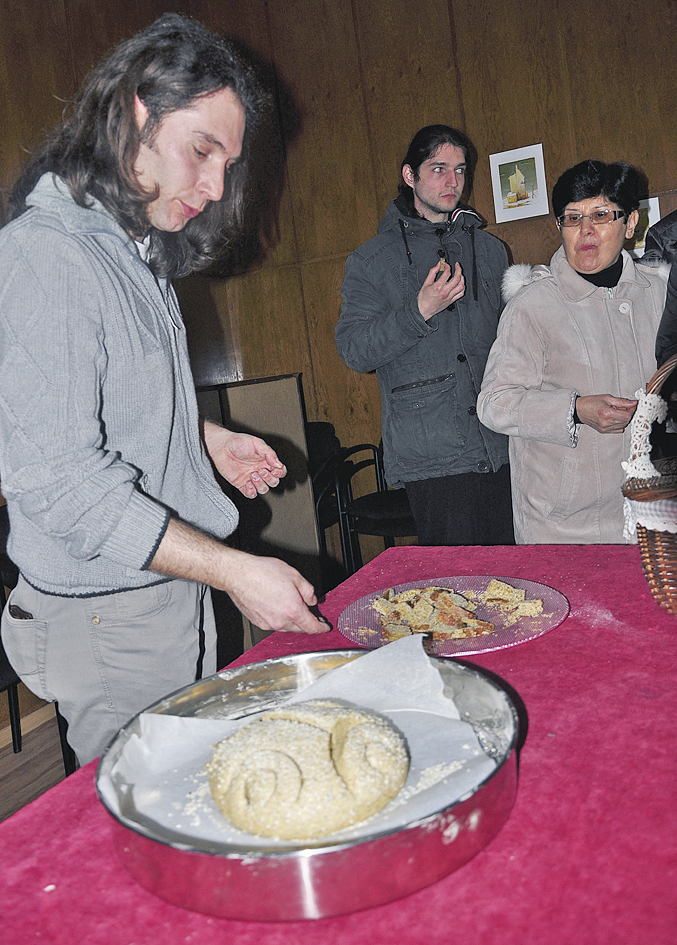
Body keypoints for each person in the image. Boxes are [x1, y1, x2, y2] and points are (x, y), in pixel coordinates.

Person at [0, 14, 328, 765]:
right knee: (150, 829)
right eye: (202, 150)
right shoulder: (48, 255)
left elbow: (110, 400)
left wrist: (201, 439)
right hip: (111, 617)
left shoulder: (131, 250)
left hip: (155, 591)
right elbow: (59, 481)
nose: (215, 189)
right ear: (137, 113)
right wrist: (235, 569)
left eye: (227, 163)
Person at [335, 125, 513, 546]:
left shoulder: (490, 250)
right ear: (410, 175)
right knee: (458, 597)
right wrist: (419, 311)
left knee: (516, 587)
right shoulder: (370, 261)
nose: (453, 182)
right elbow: (354, 349)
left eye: (460, 170)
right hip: (435, 457)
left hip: (504, 444)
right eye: (438, 169)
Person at [477, 159, 669, 544]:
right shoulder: (533, 305)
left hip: (645, 510)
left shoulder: (659, 293)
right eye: (572, 218)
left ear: (631, 223)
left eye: (601, 215)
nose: (586, 231)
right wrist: (575, 410)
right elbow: (494, 403)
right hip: (561, 524)